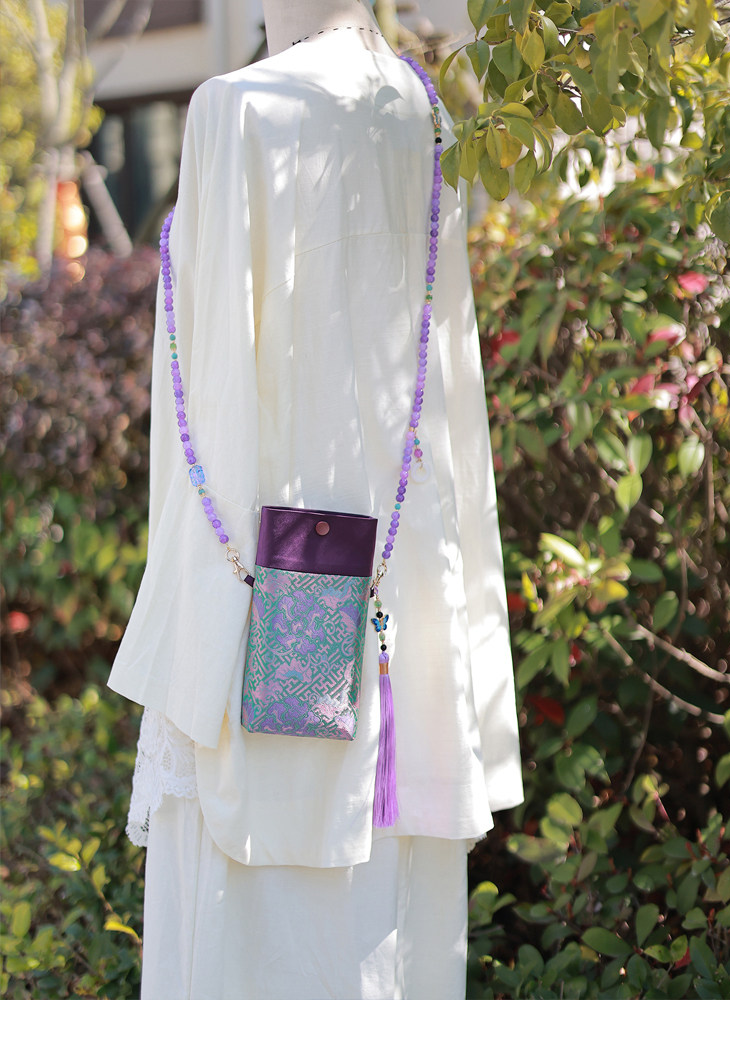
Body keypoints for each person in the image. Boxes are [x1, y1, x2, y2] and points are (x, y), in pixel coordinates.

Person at [108, 0, 523, 1000]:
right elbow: (449, 386)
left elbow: (205, 407)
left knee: (249, 942)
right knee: (387, 939)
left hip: (259, 608)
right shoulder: (422, 112)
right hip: (404, 603)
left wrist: (193, 636)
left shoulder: (235, 108)